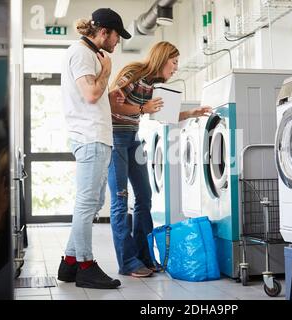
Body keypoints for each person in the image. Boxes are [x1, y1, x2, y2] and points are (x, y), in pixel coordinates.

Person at [108, 41, 212, 277]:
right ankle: (128, 263)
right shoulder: (133, 73)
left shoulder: (157, 85)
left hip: (133, 138)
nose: (175, 68)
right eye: (173, 62)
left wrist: (193, 112)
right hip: (115, 138)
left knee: (144, 197)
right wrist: (143, 108)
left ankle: (144, 257)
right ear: (162, 58)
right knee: (120, 202)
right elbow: (111, 102)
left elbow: (166, 115)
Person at [57, 8, 131, 289]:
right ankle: (86, 266)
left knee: (93, 202)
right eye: (116, 36)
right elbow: (89, 94)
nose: (117, 42)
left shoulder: (86, 54)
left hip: (95, 137)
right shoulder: (82, 53)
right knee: (87, 202)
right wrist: (107, 73)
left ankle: (70, 262)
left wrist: (109, 92)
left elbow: (90, 93)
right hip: (90, 137)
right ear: (103, 32)